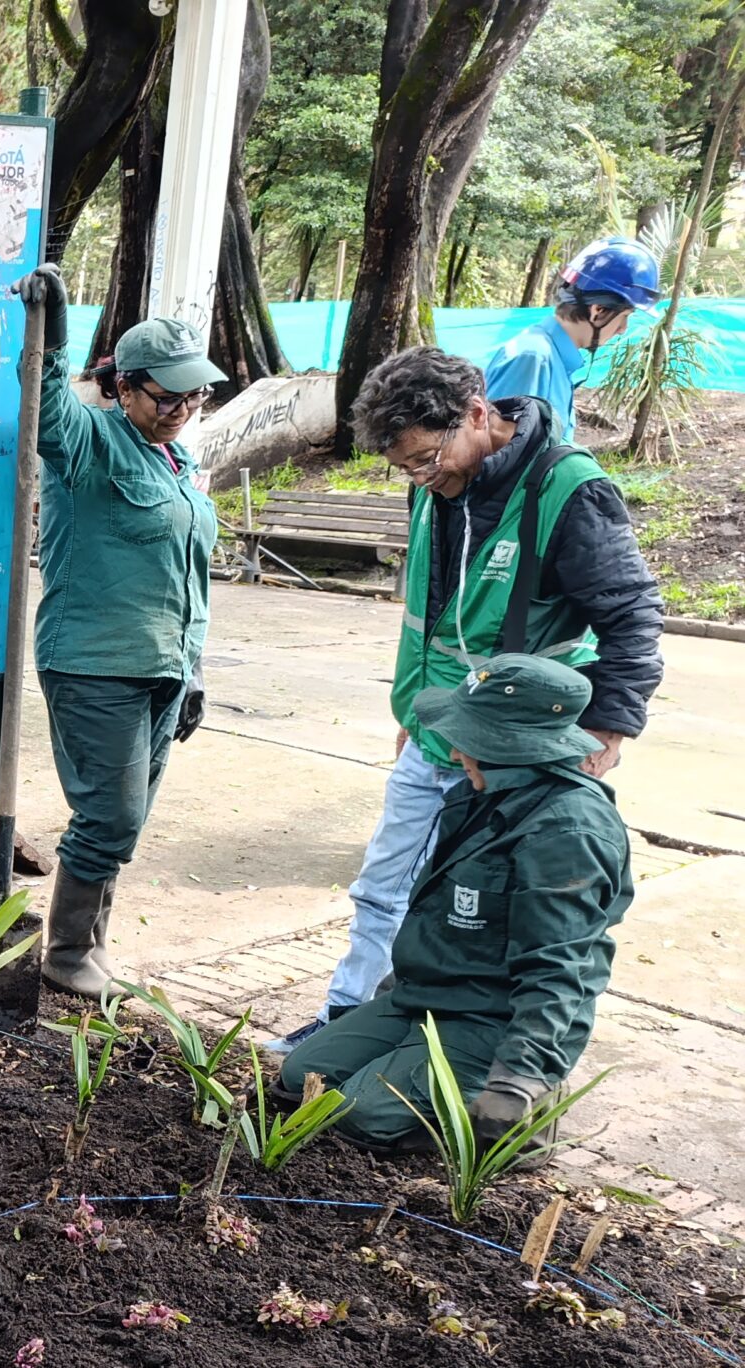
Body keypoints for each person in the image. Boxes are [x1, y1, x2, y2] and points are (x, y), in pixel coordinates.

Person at [277, 346, 662, 1048]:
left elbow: (632, 615)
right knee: (385, 888)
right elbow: (433, 616)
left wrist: (610, 725)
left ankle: (486, 1055)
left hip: (516, 748)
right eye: (406, 468)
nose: (423, 477)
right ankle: (348, 1021)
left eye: (428, 458)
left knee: (490, 911)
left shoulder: (566, 490)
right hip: (437, 734)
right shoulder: (434, 488)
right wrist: (416, 709)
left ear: (478, 413)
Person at [281, 653, 631, 1146]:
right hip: (429, 996)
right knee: (301, 1078)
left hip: (495, 1017)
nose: (451, 748)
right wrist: (397, 990)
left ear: (505, 746)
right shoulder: (478, 794)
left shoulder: (566, 834)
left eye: (464, 735)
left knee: (361, 1117)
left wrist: (519, 1078)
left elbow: (559, 968)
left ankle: (533, 1113)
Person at [10, 266, 218, 997]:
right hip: (95, 662)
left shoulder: (178, 460)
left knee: (129, 819)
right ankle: (67, 953)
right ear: (125, 388)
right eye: (168, 395)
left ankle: (91, 945)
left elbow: (190, 576)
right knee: (111, 815)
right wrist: (55, 333)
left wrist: (193, 668)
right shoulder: (89, 443)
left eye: (195, 394)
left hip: (163, 665)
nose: (183, 408)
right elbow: (44, 407)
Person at [482, 238, 660, 445]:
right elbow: (495, 451)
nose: (623, 329)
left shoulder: (554, 359)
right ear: (598, 311)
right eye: (625, 316)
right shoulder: (532, 359)